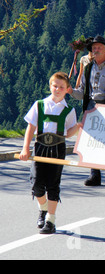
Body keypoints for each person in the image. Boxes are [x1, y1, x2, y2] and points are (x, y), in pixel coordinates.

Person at [19, 72, 80, 234]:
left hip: (57, 149)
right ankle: (43, 208)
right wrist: (25, 148)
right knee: (36, 184)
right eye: (55, 86)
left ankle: (51, 221)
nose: (58, 89)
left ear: (67, 89)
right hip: (40, 147)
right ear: (50, 86)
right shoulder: (39, 104)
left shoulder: (69, 110)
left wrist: (79, 125)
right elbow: (31, 127)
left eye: (61, 87)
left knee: (53, 184)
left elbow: (67, 133)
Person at [69, 35, 105, 186]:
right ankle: (95, 175)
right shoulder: (88, 68)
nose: (95, 50)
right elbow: (81, 92)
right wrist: (70, 91)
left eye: (99, 48)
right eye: (93, 48)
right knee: (91, 141)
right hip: (92, 108)